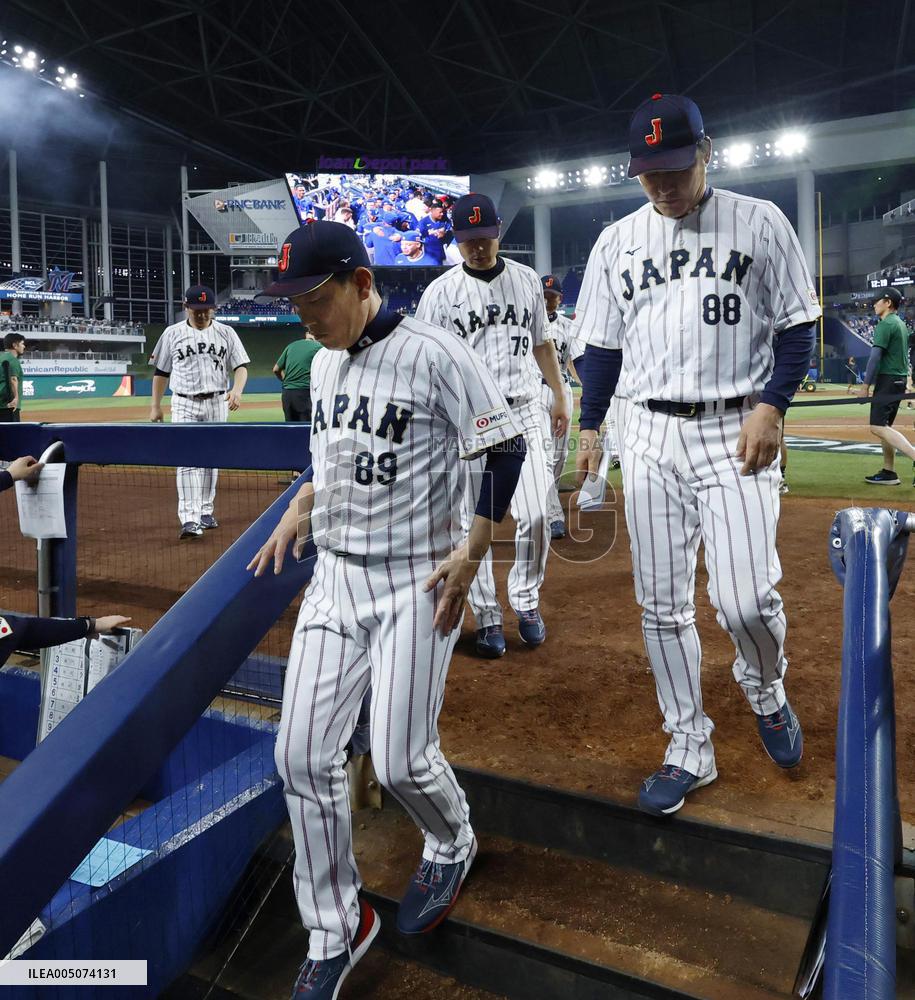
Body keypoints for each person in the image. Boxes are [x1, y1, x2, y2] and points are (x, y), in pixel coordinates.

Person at [247, 220, 525, 999]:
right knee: (299, 757)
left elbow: (503, 447)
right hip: (336, 580)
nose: (301, 315)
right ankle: (336, 928)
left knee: (401, 760)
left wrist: (471, 554)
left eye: (313, 297)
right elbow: (330, 454)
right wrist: (303, 501)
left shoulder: (436, 353)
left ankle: (452, 838)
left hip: (416, 581)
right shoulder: (326, 364)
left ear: (361, 283)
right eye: (291, 301)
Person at [575, 92, 821, 816]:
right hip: (647, 434)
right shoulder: (615, 241)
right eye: (649, 174)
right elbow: (599, 349)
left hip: (734, 428)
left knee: (746, 602)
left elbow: (798, 326)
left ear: (705, 152)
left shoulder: (760, 222)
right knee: (659, 606)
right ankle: (687, 743)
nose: (663, 186)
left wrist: (771, 406)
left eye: (675, 169)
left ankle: (764, 687)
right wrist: (591, 429)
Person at [415, 193, 569, 657]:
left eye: (484, 239)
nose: (478, 249)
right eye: (468, 241)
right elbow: (427, 359)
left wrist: (560, 395)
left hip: (524, 409)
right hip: (468, 419)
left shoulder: (525, 280)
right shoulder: (440, 293)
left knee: (539, 513)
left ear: (498, 232)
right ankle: (486, 616)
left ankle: (526, 599)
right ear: (456, 241)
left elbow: (543, 344)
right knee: (470, 522)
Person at [149, 285, 250, 539]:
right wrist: (155, 406)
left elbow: (241, 366)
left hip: (217, 401)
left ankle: (206, 511)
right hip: (184, 401)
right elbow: (161, 372)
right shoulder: (172, 334)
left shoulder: (226, 333)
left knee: (212, 459)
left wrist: (237, 390)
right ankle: (190, 519)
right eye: (197, 311)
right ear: (186, 308)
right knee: (187, 459)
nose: (203, 315)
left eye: (207, 310)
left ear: (214, 309)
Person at [858, 288, 915, 485]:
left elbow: (875, 357)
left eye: (876, 300)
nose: (874, 304)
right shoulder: (900, 324)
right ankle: (889, 472)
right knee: (885, 427)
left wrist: (865, 385)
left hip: (888, 380)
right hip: (898, 380)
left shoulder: (886, 324)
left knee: (876, 426)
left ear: (888, 302)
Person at [539, 275, 580, 538]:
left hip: (561, 391)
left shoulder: (568, 327)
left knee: (559, 456)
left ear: (560, 299)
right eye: (543, 294)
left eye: (552, 295)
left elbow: (579, 360)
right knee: (543, 456)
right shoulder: (528, 324)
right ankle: (553, 515)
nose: (547, 299)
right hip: (534, 389)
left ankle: (543, 500)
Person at [416, 200, 453, 265]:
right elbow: (417, 236)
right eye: (440, 212)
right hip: (430, 254)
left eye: (443, 212)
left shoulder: (445, 220)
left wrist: (445, 234)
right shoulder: (423, 222)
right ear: (432, 211)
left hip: (444, 252)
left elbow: (451, 230)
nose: (442, 214)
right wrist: (429, 233)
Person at [0, 333, 27, 423]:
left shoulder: (1, 357)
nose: (24, 346)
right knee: (12, 434)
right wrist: (15, 398)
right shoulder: (12, 359)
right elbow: (13, 379)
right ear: (15, 345)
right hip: (9, 404)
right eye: (22, 343)